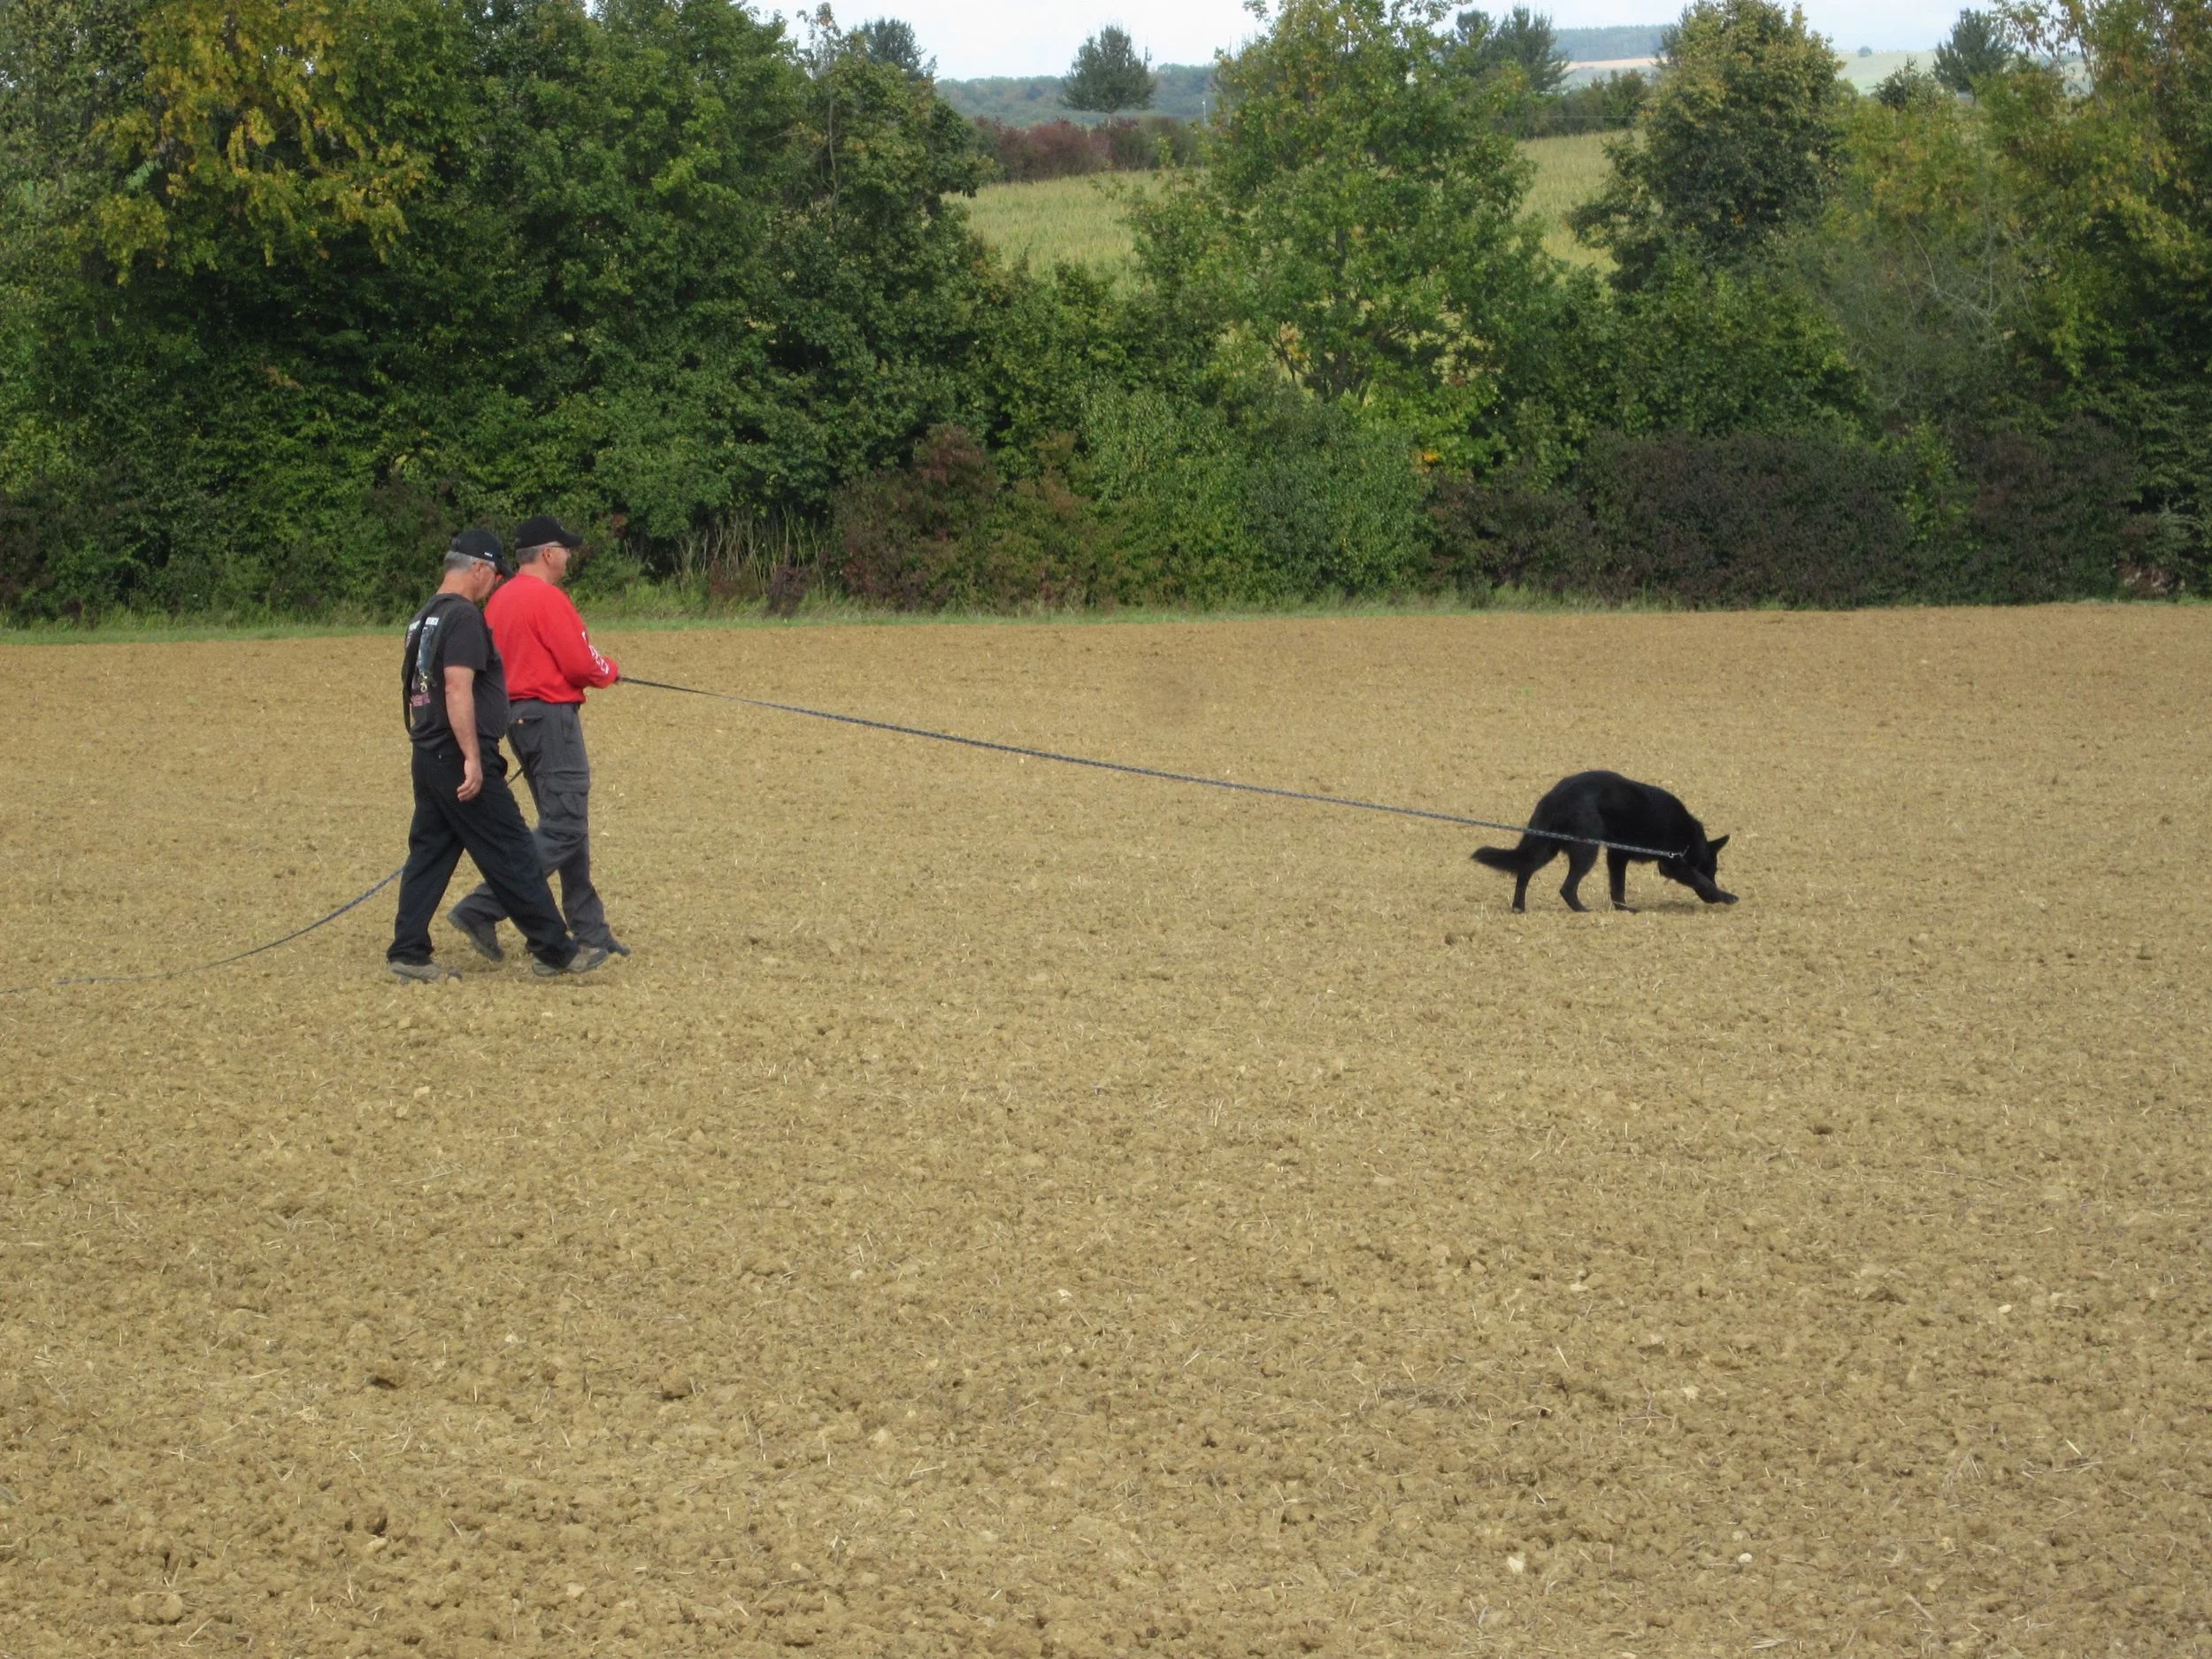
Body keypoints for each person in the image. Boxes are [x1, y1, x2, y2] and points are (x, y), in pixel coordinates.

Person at [388, 529, 610, 982]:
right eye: (493, 575)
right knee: (512, 852)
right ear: (479, 569)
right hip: (460, 756)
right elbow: (456, 685)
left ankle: (408, 950)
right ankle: (555, 949)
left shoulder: (423, 617)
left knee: (429, 853)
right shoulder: (464, 617)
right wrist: (473, 755)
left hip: (427, 752)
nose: (494, 585)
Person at [446, 514, 629, 963]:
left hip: (517, 718)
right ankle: (483, 905)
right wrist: (610, 671)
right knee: (565, 826)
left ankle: (590, 929)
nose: (569, 556)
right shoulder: (548, 599)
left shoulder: (499, 600)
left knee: (564, 825)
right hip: (551, 718)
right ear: (547, 553)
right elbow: (580, 664)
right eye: (565, 549)